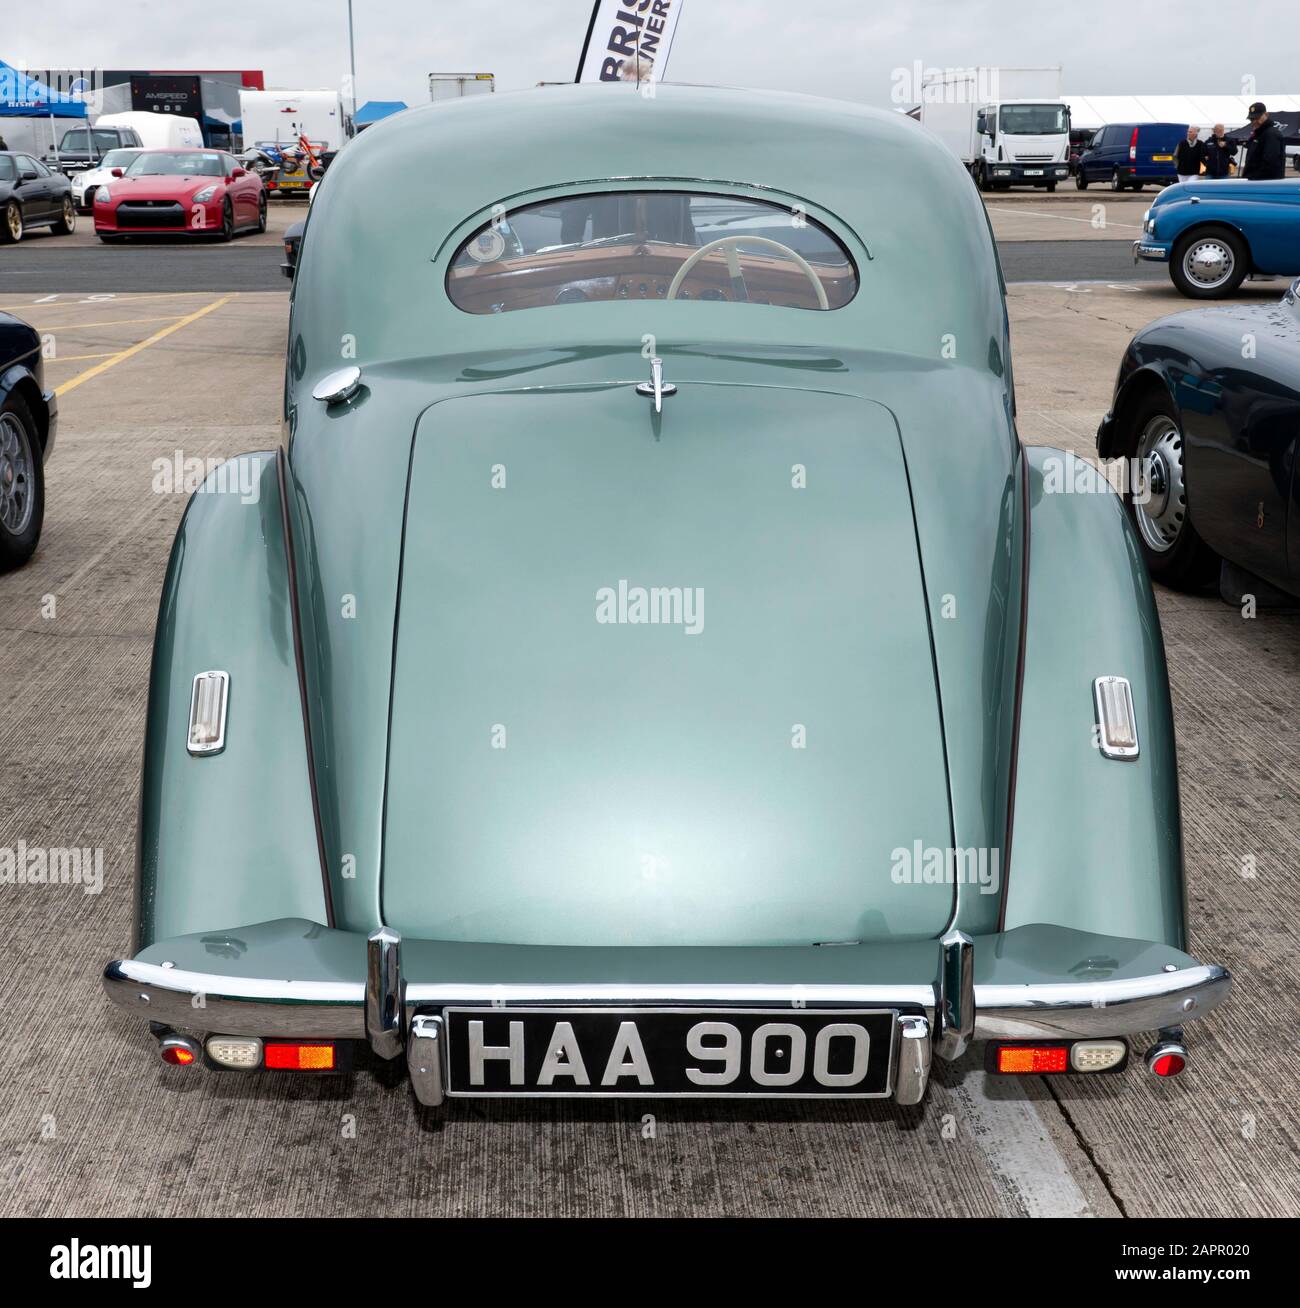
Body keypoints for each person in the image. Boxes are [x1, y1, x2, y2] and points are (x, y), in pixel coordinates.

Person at [1242, 103, 1286, 180]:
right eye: (1252, 119)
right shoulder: (1259, 134)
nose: (1254, 121)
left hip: (1265, 183)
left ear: (1266, 115)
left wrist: (1253, 177)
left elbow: (1270, 163)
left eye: (1257, 118)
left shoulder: (1271, 134)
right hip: (1257, 182)